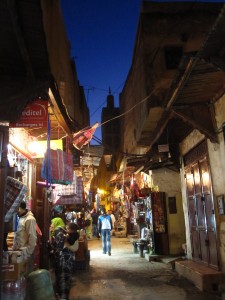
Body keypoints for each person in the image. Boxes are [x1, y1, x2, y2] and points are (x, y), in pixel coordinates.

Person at [51, 222, 79, 300]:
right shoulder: (72, 234)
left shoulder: (60, 234)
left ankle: (62, 296)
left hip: (64, 260)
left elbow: (58, 247)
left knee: (62, 278)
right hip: (69, 260)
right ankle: (65, 295)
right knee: (67, 278)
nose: (51, 226)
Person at [13, 201, 37, 274]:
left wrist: (27, 254)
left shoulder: (30, 219)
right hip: (19, 253)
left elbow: (32, 238)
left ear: (20, 208)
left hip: (25, 254)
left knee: (26, 276)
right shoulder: (20, 218)